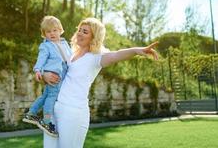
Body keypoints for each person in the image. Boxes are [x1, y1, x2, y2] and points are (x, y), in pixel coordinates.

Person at [42, 17, 158, 148]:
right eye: (79, 30)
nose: (79, 33)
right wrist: (45, 75)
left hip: (73, 112)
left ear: (94, 37)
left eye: (85, 32)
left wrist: (135, 50)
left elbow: (116, 55)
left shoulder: (96, 58)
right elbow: (52, 71)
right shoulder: (70, 52)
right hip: (54, 109)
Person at [22, 16, 72, 137]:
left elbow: (70, 58)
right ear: (44, 34)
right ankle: (46, 121)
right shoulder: (46, 46)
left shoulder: (65, 43)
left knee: (45, 95)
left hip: (63, 75)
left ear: (60, 30)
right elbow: (41, 59)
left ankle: (31, 113)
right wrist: (38, 70)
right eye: (48, 32)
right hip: (54, 75)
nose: (52, 34)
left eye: (55, 30)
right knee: (51, 97)